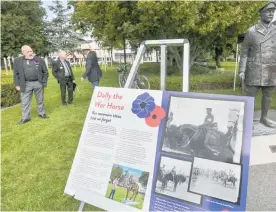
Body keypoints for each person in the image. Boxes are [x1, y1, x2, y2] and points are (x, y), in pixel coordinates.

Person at [239, 1, 276, 128]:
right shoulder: (251, 31)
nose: (271, 14)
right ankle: (248, 120)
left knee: (268, 96)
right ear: (261, 14)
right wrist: (242, 71)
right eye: (268, 11)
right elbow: (244, 53)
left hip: (271, 69)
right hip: (254, 68)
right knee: (251, 97)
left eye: (273, 11)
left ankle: (264, 118)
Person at [13, 45, 49, 124]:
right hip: (25, 84)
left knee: (40, 100)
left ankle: (42, 114)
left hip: (38, 83)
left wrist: (43, 82)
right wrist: (17, 84)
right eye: (28, 52)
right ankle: (25, 118)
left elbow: (45, 72)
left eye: (31, 51)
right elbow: (16, 74)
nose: (30, 53)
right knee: (25, 102)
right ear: (23, 53)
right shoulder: (18, 60)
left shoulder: (38, 59)